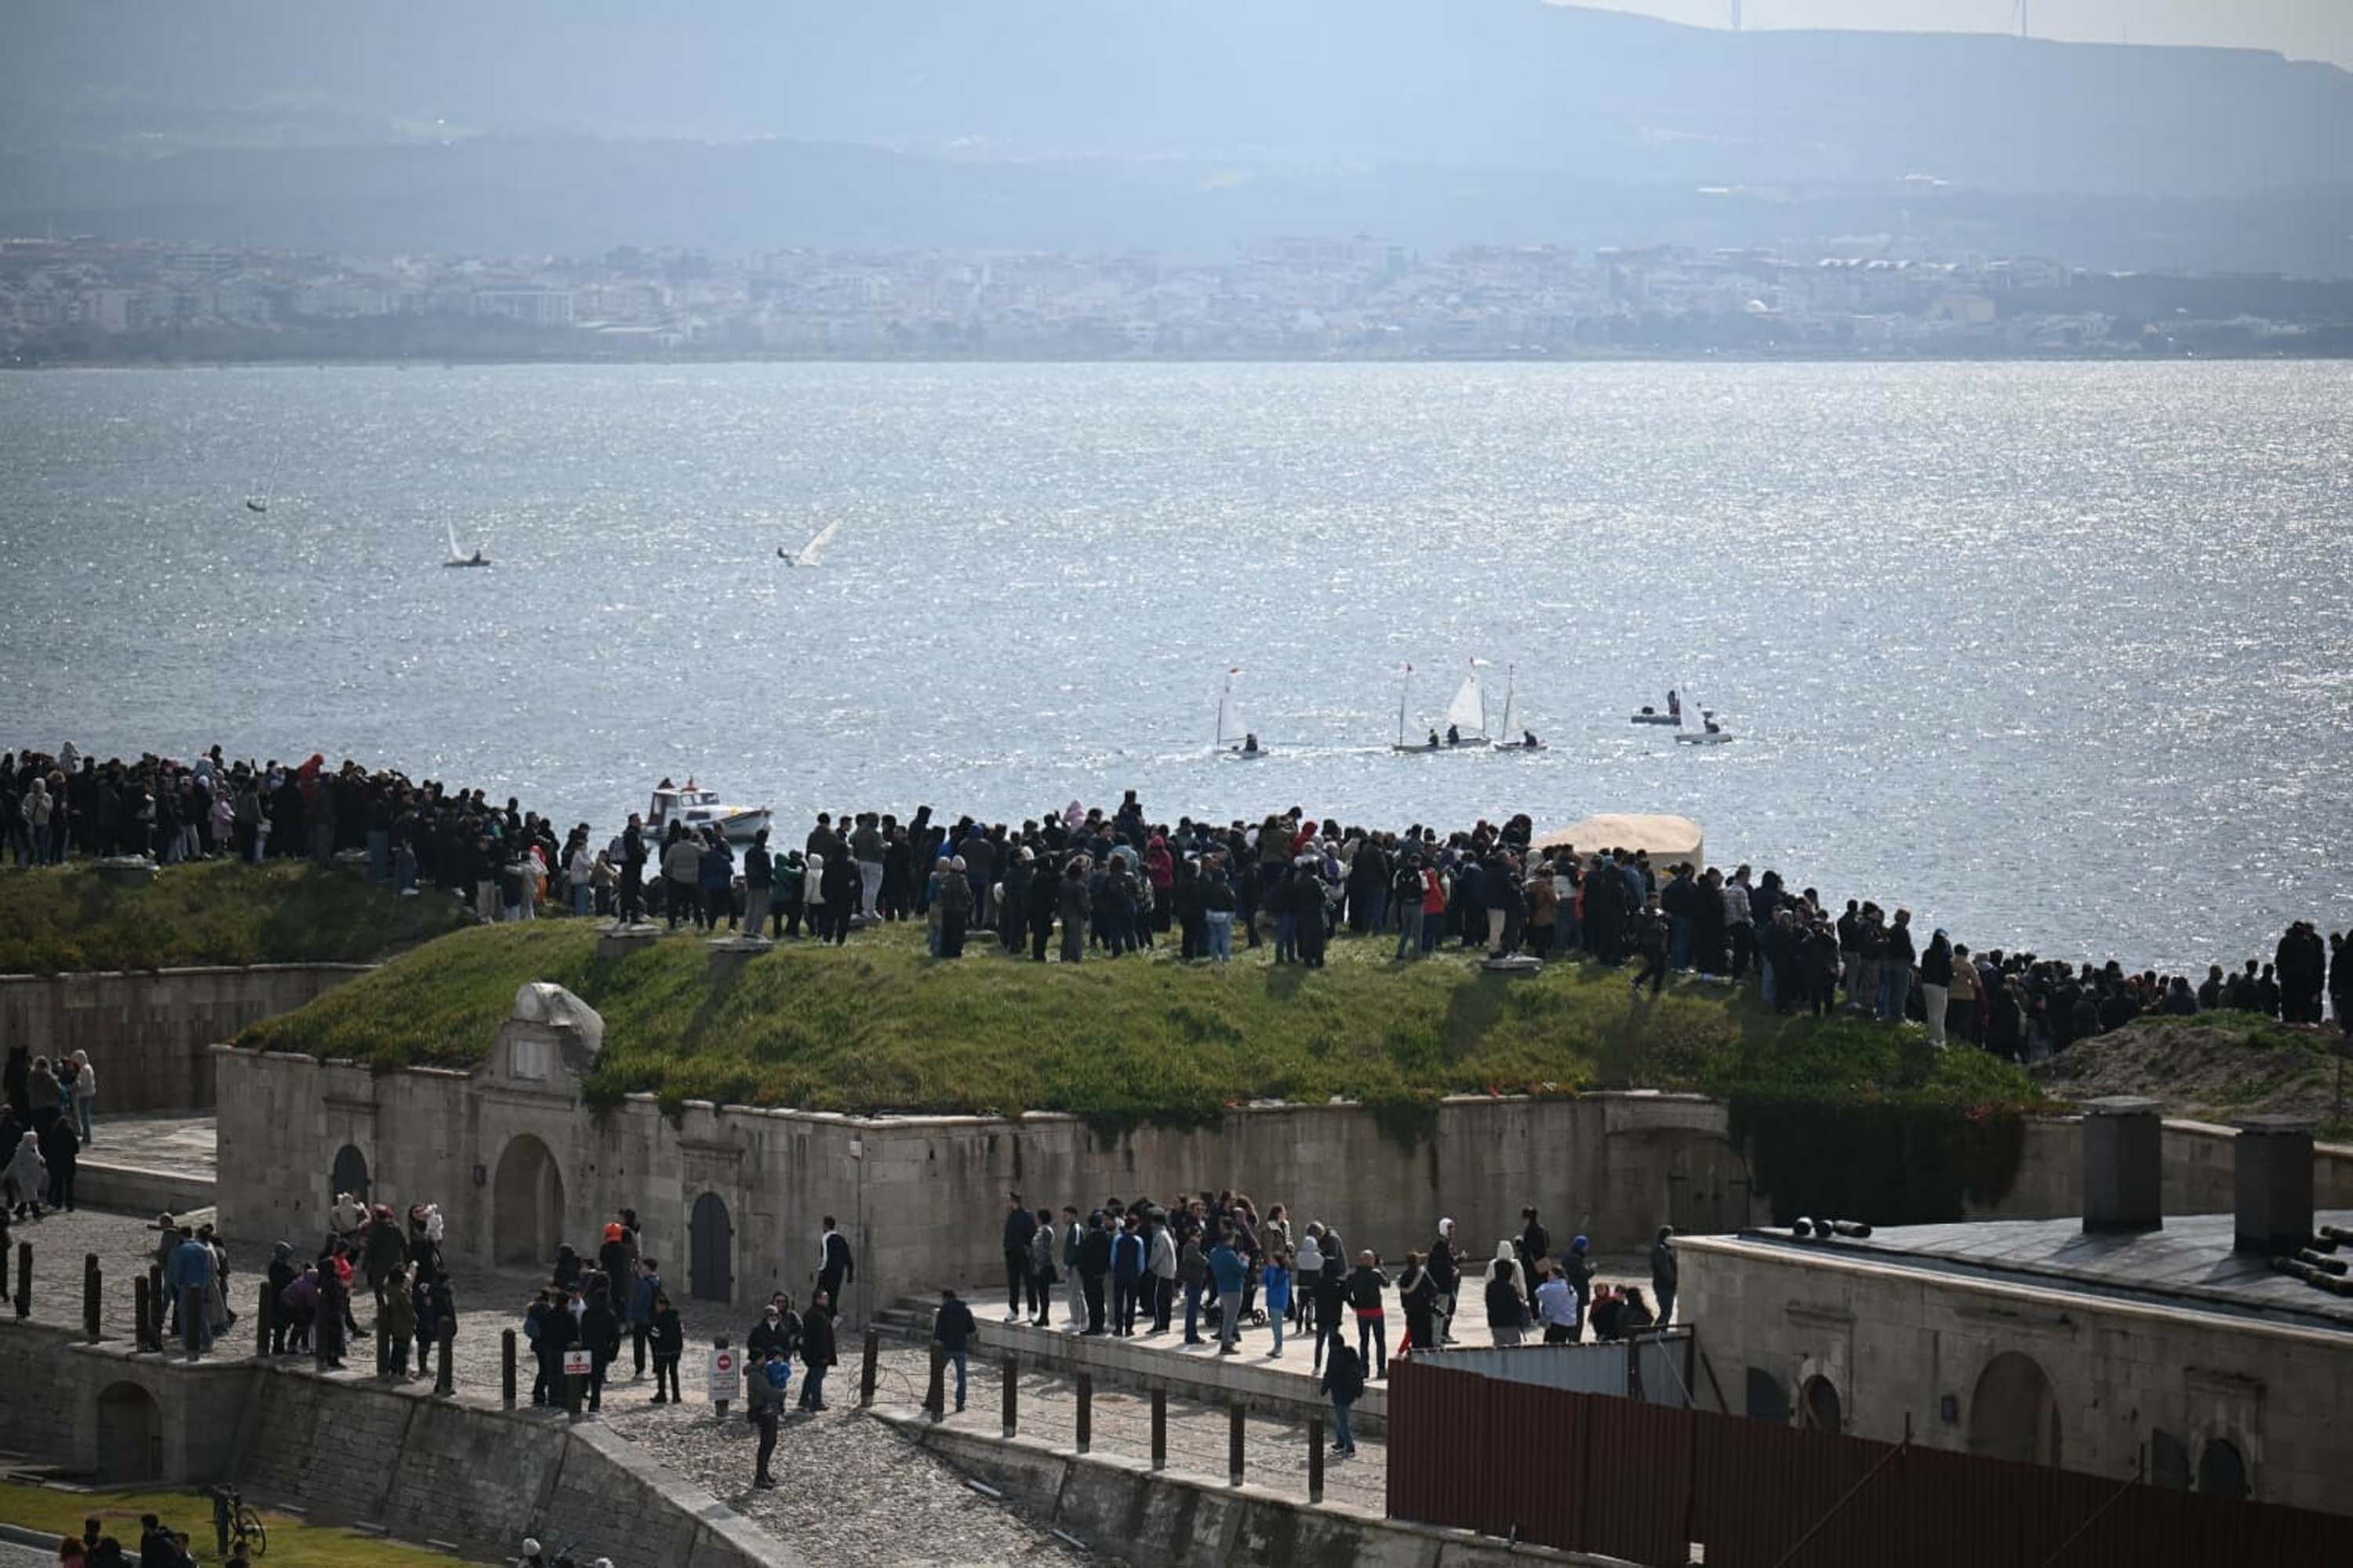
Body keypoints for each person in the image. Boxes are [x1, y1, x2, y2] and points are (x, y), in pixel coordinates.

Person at [747, 1344, 787, 1488]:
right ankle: (760, 1476)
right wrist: (782, 1394)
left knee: (770, 1442)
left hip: (768, 1410)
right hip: (763, 1411)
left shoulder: (761, 1371)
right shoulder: (756, 1376)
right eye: (763, 1357)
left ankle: (764, 1473)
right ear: (759, 1359)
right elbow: (767, 1392)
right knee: (767, 1443)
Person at [931, 1287, 976, 1413]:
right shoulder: (965, 1310)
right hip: (960, 1347)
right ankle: (960, 1404)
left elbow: (938, 1331)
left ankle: (932, 1401)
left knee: (937, 1374)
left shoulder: (944, 1310)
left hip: (945, 1348)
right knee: (962, 1378)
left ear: (945, 1298)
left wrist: (935, 1344)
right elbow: (972, 1329)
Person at [1346, 1250, 1390, 1377]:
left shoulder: (1353, 1276)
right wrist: (1382, 1268)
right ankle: (1381, 1370)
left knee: (1364, 1341)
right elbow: (1387, 1284)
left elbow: (1346, 1294)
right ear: (1370, 1261)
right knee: (1380, 1341)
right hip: (1376, 1311)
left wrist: (1353, 1305)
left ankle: (1364, 1370)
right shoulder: (1376, 1274)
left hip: (1362, 1312)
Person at [1320, 1338, 1366, 1458]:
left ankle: (1350, 1446)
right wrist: (1359, 1390)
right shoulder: (1352, 1353)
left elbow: (1329, 1374)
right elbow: (1359, 1372)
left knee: (1342, 1421)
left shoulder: (1334, 1356)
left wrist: (1323, 1389)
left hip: (1339, 1393)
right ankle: (1340, 1443)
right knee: (1342, 1418)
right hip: (1351, 1393)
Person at [1208, 1228, 1247, 1352]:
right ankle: (1225, 1344)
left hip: (1222, 1287)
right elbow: (1242, 1270)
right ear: (1229, 1240)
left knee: (1227, 1316)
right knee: (1230, 1318)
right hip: (1234, 1288)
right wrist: (1244, 1261)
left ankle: (1228, 1338)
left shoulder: (1214, 1253)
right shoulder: (1230, 1255)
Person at [1002, 1192, 1038, 1322]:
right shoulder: (1011, 1216)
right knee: (1013, 1283)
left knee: (1030, 1282)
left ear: (1014, 1201)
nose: (1007, 1203)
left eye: (1009, 1201)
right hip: (1011, 1253)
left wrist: (1027, 1248)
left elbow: (1033, 1234)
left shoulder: (1027, 1216)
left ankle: (1032, 1310)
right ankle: (1013, 1310)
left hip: (1024, 1254)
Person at [798, 1290, 836, 1410]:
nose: (827, 1300)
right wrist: (823, 1355)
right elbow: (818, 1338)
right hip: (816, 1353)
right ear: (818, 1299)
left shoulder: (819, 1313)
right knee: (817, 1377)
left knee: (812, 1376)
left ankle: (804, 1400)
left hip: (814, 1352)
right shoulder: (816, 1315)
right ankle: (816, 1403)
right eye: (825, 1298)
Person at [1485, 1246, 1529, 1348]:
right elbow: (1516, 1306)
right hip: (1510, 1324)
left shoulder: (1491, 1286)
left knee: (1498, 1348)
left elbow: (1488, 1302)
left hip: (1495, 1323)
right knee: (1514, 1350)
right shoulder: (1511, 1288)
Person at [627, 1257, 663, 1379]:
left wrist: (632, 1315)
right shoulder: (656, 1281)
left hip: (643, 1319)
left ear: (647, 1267)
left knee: (639, 1346)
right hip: (654, 1318)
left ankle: (640, 1370)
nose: (641, 1268)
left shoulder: (646, 1283)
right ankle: (658, 1369)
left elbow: (640, 1302)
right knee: (655, 1345)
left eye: (643, 1266)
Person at [379, 1267, 416, 1378]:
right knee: (403, 1350)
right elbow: (409, 1310)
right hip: (404, 1325)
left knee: (397, 1348)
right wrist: (415, 1319)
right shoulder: (401, 1294)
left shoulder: (389, 1292)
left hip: (394, 1324)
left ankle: (394, 1370)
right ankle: (401, 1373)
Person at [646, 1293, 683, 1403]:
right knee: (674, 1373)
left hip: (662, 1351)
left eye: (658, 1305)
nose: (657, 1308)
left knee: (661, 1374)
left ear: (663, 1306)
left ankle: (662, 1394)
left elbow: (654, 1335)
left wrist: (655, 1343)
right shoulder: (676, 1318)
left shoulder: (659, 1320)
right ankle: (676, 1396)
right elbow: (681, 1333)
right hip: (675, 1350)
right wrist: (679, 1348)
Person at [1026, 1206, 1059, 1329]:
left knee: (1044, 1293)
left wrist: (1040, 1264)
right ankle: (1043, 1316)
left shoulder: (1046, 1231)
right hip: (1038, 1265)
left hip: (1043, 1266)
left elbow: (1044, 1250)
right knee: (1041, 1292)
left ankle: (1044, 1317)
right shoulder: (1041, 1230)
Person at [816, 1216, 853, 1317]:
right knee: (834, 1295)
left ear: (826, 1226)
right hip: (839, 1272)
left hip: (828, 1271)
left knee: (820, 1294)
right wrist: (850, 1275)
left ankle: (824, 1316)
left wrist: (821, 1269)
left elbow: (825, 1256)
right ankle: (833, 1316)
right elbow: (848, 1257)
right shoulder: (841, 1239)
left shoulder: (826, 1238)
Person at [1260, 1249, 1292, 1358]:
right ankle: (1276, 1346)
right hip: (1271, 1300)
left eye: (1272, 1260)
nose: (1270, 1261)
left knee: (1278, 1325)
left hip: (1278, 1301)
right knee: (1274, 1325)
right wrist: (1267, 1269)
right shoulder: (1271, 1270)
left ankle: (1279, 1347)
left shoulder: (1283, 1273)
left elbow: (1275, 1283)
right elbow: (1265, 1280)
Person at [1650, 1225, 1678, 1327]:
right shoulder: (1660, 1250)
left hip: (1665, 1285)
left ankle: (1661, 1332)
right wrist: (1674, 1280)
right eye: (1671, 1235)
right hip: (1664, 1286)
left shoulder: (1665, 1249)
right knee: (1666, 1312)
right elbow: (1665, 1271)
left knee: (1667, 1312)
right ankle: (1655, 1332)